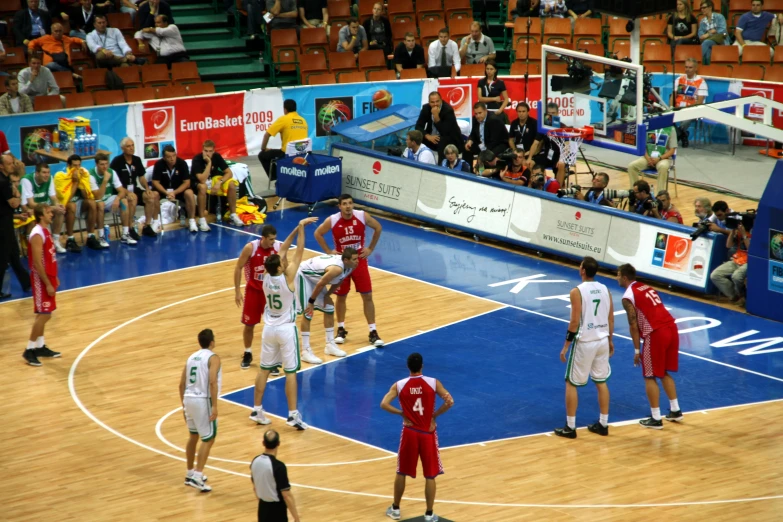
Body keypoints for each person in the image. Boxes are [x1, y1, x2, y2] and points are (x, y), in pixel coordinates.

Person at [249, 219, 316, 431]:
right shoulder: (288, 278)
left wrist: (297, 226)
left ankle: (257, 409)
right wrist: (302, 229)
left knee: (264, 370)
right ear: (279, 266)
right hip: (286, 329)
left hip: (268, 328)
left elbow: (284, 248)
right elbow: (299, 250)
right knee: (290, 372)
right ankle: (293, 414)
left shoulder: (266, 277)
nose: (285, 261)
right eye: (281, 261)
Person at [381, 352, 454, 522]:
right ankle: (429, 514)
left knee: (401, 471)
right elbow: (450, 401)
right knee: (430, 475)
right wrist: (434, 416)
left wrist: (401, 413)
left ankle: (396, 509)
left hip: (410, 433)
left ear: (408, 367)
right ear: (422, 365)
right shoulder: (433, 382)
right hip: (427, 434)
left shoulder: (399, 385)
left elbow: (383, 404)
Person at [617, 263, 684, 428]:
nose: (616, 277)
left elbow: (633, 325)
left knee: (649, 375)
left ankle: (655, 418)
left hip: (656, 333)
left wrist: (636, 350)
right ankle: (675, 410)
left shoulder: (627, 296)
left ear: (624, 277)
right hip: (671, 328)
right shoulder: (646, 287)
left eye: (618, 275)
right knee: (663, 372)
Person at [314, 194, 384, 348]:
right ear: (339, 206)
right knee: (341, 296)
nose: (348, 206)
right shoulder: (332, 219)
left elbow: (378, 227)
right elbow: (318, 233)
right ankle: (340, 329)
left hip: (359, 260)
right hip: (341, 262)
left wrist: (371, 248)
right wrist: (328, 251)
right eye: (344, 204)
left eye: (350, 203)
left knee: (367, 295)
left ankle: (373, 331)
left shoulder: (362, 216)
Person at [554, 256, 613, 439]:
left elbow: (574, 322)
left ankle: (570, 427)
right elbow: (610, 318)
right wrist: (610, 340)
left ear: (583, 271)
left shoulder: (577, 291)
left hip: (586, 341)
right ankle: (603, 424)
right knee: (601, 382)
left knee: (571, 382)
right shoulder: (605, 289)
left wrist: (565, 346)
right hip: (602, 340)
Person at [235, 222, 304, 370]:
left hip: (271, 291)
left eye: (275, 239)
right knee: (249, 324)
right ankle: (247, 352)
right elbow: (238, 266)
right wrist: (237, 291)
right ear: (264, 238)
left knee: (274, 326)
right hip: (254, 290)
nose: (274, 242)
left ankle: (273, 360)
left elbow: (285, 249)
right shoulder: (251, 247)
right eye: (271, 239)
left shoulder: (278, 247)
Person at [297, 248, 360, 364]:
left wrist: (328, 295)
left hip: (317, 278)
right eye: (354, 259)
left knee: (329, 307)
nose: (357, 261)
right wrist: (311, 302)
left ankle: (330, 344)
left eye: (357, 258)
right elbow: (321, 284)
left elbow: (340, 281)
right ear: (346, 260)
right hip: (304, 275)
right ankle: (305, 351)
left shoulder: (350, 267)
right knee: (308, 311)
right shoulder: (336, 268)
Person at [179, 328, 221, 492]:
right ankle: (198, 475)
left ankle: (190, 473)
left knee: (193, 436)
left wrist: (183, 405)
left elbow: (181, 384)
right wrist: (215, 406)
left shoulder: (190, 358)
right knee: (208, 439)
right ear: (212, 342)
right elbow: (212, 382)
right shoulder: (214, 358)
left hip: (188, 398)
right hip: (203, 400)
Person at [22, 204, 62, 366]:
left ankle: (40, 346)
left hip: (49, 277)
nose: (52, 214)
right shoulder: (37, 233)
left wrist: (54, 277)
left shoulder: (45, 230)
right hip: (40, 280)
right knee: (44, 314)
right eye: (48, 212)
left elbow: (49, 257)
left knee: (46, 313)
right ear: (40, 215)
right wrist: (47, 283)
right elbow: (37, 264)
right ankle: (29, 349)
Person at [110, 137, 159, 238]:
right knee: (133, 198)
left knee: (150, 197)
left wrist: (147, 188)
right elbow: (114, 182)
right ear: (123, 148)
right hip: (121, 191)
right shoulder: (117, 161)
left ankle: (147, 225)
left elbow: (141, 177)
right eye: (128, 146)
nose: (131, 148)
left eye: (132, 145)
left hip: (134, 189)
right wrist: (127, 192)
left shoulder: (137, 160)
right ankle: (130, 228)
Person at [190, 140, 244, 228]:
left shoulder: (217, 156)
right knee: (203, 187)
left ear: (214, 151)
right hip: (197, 184)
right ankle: (202, 219)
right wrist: (209, 163)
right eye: (206, 151)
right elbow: (202, 180)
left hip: (213, 181)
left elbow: (229, 173)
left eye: (210, 151)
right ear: (202, 150)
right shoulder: (197, 159)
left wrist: (219, 182)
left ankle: (233, 214)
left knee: (231, 184)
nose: (208, 153)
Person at [250, 430, 301, 522]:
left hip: (262, 508)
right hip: (277, 510)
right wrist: (296, 518)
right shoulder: (279, 467)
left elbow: (255, 487)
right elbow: (286, 495)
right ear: (278, 443)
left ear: (263, 443)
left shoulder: (255, 461)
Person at [0, 155, 32, 301]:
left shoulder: (5, 179)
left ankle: (27, 282)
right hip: (2, 223)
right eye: (10, 163)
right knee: (4, 257)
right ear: (1, 166)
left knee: (14, 254)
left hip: (6, 220)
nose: (13, 165)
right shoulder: (3, 182)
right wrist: (18, 193)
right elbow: (14, 204)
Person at [54, 154, 101, 250]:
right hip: (65, 205)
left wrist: (81, 183)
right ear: (69, 166)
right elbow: (65, 199)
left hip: (79, 204)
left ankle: (90, 236)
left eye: (79, 165)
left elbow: (86, 196)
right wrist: (75, 182)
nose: (77, 168)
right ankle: (70, 240)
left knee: (92, 202)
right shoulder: (60, 175)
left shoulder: (83, 174)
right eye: (75, 165)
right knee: (72, 206)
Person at [90, 152, 137, 245]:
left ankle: (125, 234)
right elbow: (98, 196)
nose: (105, 167)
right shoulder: (91, 175)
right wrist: (105, 180)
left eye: (106, 164)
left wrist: (117, 199)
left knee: (124, 201)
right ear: (96, 164)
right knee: (100, 204)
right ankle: (101, 236)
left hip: (109, 199)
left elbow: (122, 190)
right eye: (102, 164)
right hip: (96, 200)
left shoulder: (111, 172)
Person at [258, 99, 308, 183]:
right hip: (303, 154)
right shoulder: (303, 120)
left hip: (287, 154)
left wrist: (263, 148)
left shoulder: (283, 119)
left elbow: (266, 135)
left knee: (262, 155)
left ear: (285, 109)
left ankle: (278, 178)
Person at [20, 163, 67, 253]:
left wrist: (58, 205)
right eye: (44, 172)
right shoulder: (27, 180)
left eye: (48, 172)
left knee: (60, 211)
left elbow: (53, 196)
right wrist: (52, 208)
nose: (47, 175)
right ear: (37, 173)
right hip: (30, 209)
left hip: (45, 208)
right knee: (33, 216)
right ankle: (31, 245)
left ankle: (55, 241)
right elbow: (31, 204)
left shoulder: (50, 178)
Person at [151, 145, 199, 232]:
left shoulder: (182, 163)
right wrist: (166, 192)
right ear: (164, 158)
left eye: (174, 156)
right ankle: (155, 222)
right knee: (154, 194)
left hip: (178, 191)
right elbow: (155, 182)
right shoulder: (159, 164)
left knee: (189, 193)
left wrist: (174, 193)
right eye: (169, 157)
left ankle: (192, 221)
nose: (172, 159)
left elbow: (186, 182)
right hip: (163, 191)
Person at [415, 91, 464, 163]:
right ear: (429, 102)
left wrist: (436, 117)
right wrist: (427, 136)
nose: (435, 104)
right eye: (432, 102)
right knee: (416, 137)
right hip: (432, 137)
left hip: (450, 138)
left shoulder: (448, 110)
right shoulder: (426, 108)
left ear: (441, 100)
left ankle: (440, 167)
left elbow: (445, 131)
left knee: (442, 140)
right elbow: (418, 126)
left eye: (437, 101)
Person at [710, 222, 751, 305]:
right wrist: (732, 231)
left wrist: (744, 234)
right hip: (737, 259)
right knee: (715, 275)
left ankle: (743, 295)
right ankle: (735, 296)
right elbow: (728, 245)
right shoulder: (738, 232)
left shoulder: (755, 233)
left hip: (750, 261)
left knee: (736, 276)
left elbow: (751, 250)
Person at [627, 127, 677, 193]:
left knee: (663, 167)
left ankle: (659, 195)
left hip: (663, 159)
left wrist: (659, 158)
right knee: (631, 166)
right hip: (648, 158)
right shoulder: (649, 127)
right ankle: (635, 193)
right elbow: (642, 147)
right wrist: (648, 159)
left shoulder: (671, 129)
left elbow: (672, 150)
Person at [671, 58, 707, 147]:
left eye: (690, 67)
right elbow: (673, 96)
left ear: (695, 69)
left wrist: (687, 109)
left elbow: (699, 101)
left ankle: (678, 134)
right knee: (667, 116)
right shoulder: (679, 80)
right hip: (678, 108)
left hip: (693, 109)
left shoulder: (701, 82)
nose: (687, 69)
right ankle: (683, 134)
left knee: (686, 119)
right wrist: (670, 107)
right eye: (686, 67)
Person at [528, 102, 567, 186]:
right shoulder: (544, 127)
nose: (551, 115)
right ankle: (531, 186)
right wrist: (530, 157)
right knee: (530, 163)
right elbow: (535, 143)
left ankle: (558, 189)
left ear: (558, 113)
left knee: (561, 165)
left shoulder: (563, 128)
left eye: (553, 113)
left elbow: (567, 147)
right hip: (547, 155)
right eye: (549, 113)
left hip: (559, 156)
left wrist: (561, 159)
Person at [463, 101, 509, 166]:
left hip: (497, 145)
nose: (478, 116)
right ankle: (468, 171)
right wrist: (470, 140)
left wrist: (483, 154)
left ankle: (482, 171)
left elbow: (494, 141)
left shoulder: (494, 120)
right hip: (483, 144)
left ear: (485, 111)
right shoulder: (475, 119)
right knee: (466, 149)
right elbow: (473, 133)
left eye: (480, 113)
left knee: (486, 156)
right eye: (476, 114)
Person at [698, 0, 728, 65]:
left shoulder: (719, 17)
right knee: (708, 50)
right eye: (701, 8)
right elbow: (700, 35)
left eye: (704, 7)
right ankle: (708, 70)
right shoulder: (702, 21)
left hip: (721, 39)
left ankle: (696, 61)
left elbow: (723, 31)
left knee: (706, 42)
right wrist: (712, 31)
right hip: (709, 41)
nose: (702, 9)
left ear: (710, 7)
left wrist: (709, 34)